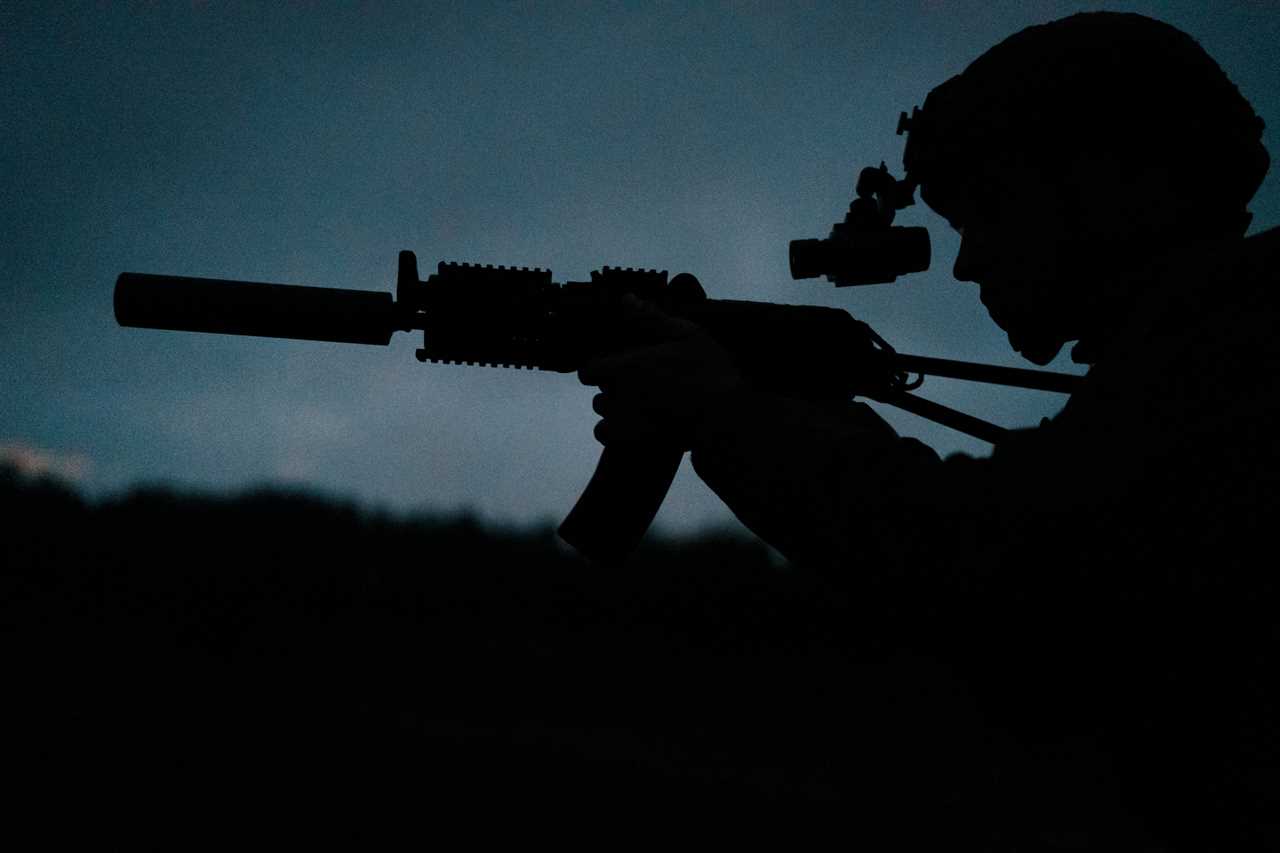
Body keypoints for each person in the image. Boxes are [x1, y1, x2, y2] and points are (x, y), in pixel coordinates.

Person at [580, 12, 1276, 850]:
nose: (968, 262)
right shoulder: (1194, 356)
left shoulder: (1233, 356)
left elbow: (999, 561)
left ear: (1110, 185)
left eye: (991, 211)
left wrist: (726, 415)